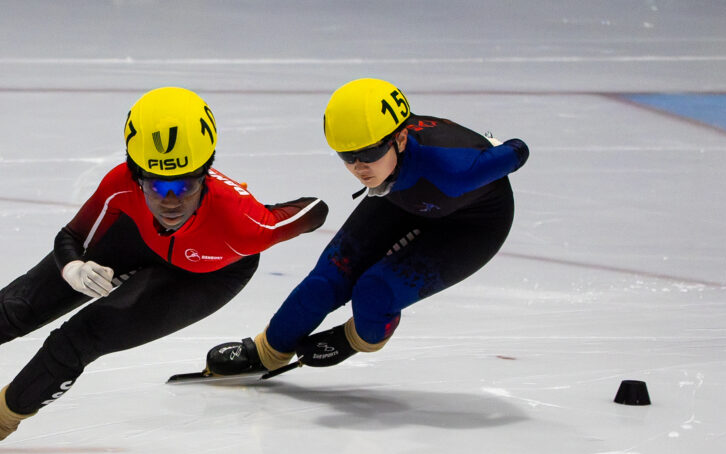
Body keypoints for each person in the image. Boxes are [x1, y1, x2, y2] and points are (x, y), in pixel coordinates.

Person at [0, 86, 328, 454]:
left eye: (186, 183)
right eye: (155, 183)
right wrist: (71, 268)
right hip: (133, 239)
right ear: (135, 172)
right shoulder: (118, 187)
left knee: (78, 339)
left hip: (205, 273)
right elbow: (71, 237)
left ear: (207, 169)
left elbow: (315, 210)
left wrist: (269, 209)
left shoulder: (245, 223)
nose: (170, 199)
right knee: (17, 306)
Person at [204, 77, 529, 375]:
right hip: (403, 193)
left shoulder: (454, 171)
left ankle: (358, 337)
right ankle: (267, 351)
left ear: (400, 138)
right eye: (347, 156)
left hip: (472, 223)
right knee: (326, 280)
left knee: (375, 293)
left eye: (370, 152)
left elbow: (518, 150)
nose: (359, 167)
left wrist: (489, 146)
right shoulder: (382, 163)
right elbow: (375, 162)